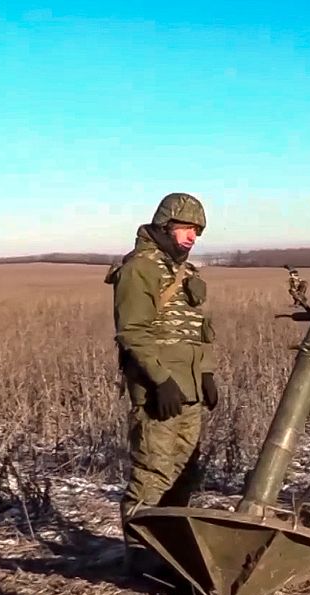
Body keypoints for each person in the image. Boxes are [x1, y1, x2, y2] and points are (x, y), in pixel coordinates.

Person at [105, 193, 218, 573]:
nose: (192, 237)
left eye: (197, 231)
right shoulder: (141, 268)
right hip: (160, 391)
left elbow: (198, 331)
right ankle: (141, 558)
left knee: (184, 472)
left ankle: (170, 551)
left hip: (188, 389)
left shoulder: (183, 271)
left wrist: (206, 373)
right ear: (165, 226)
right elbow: (132, 331)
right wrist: (159, 380)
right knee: (153, 473)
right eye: (186, 229)